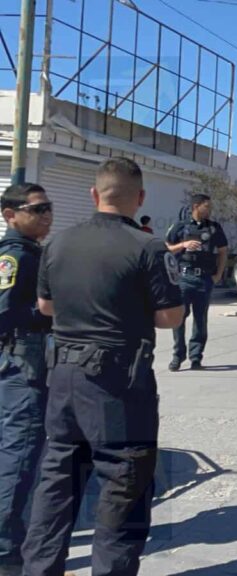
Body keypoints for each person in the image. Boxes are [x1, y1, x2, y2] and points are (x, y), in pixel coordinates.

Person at [21, 157, 184, 576]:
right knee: (123, 486)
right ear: (140, 197)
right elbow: (170, 317)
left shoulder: (58, 243)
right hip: (117, 381)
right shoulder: (148, 246)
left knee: (57, 481)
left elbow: (46, 307)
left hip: (64, 375)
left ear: (94, 194)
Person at [0, 184, 53, 571]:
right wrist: (48, 312)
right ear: (10, 214)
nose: (46, 215)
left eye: (48, 208)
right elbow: (5, 312)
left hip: (21, 359)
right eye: (37, 209)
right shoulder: (16, 255)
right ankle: (6, 552)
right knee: (19, 454)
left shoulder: (29, 252)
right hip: (23, 362)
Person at [165, 194, 229, 371]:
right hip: (183, 278)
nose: (210, 210)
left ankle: (196, 357)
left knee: (200, 320)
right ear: (196, 206)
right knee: (179, 318)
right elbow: (166, 248)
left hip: (204, 279)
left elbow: (223, 251)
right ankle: (178, 356)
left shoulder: (214, 228)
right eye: (207, 206)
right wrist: (183, 245)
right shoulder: (181, 226)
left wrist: (218, 275)